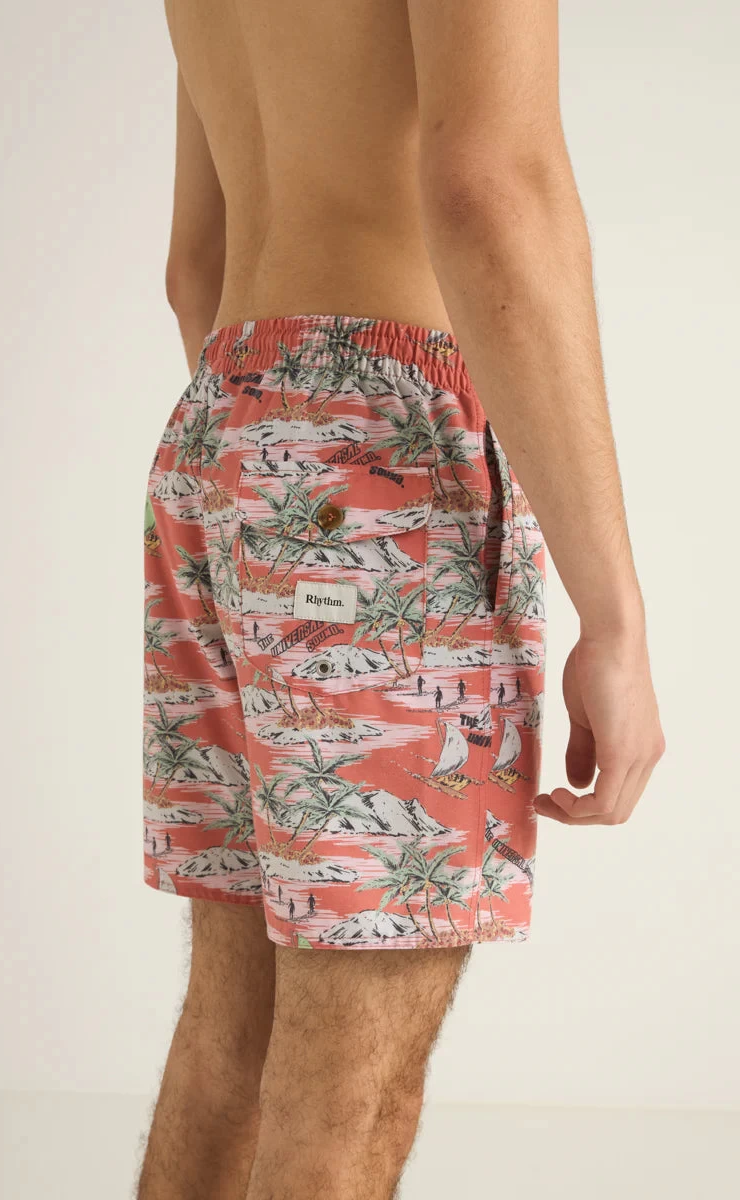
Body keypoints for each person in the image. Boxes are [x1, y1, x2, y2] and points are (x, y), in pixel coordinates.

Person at [139, 4, 664, 1198]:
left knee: (232, 1049)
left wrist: (272, 480)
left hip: (221, 429)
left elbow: (193, 268)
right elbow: (488, 188)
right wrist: (614, 618)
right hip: (382, 460)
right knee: (348, 1091)